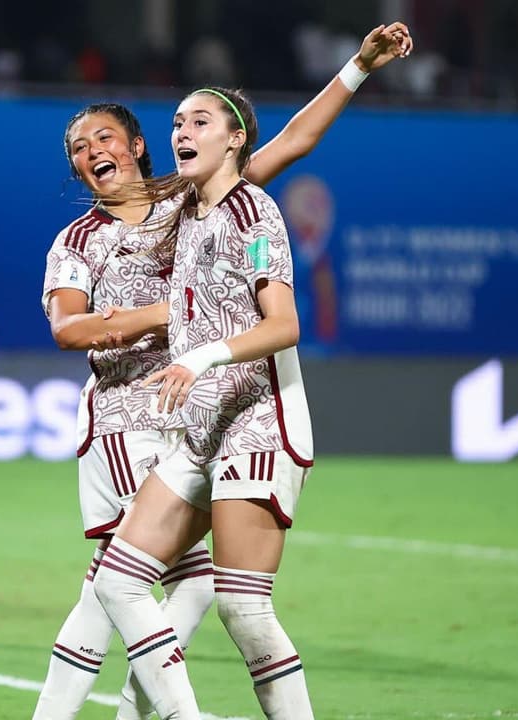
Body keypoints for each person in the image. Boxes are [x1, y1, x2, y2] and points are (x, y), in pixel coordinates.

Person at [35, 23, 414, 720]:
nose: (91, 153)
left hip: (222, 410)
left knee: (199, 591)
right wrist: (169, 319)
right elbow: (68, 326)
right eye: (78, 149)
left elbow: (292, 142)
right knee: (128, 582)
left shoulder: (196, 203)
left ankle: (133, 708)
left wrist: (359, 67)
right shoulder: (86, 238)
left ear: (137, 146)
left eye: (104, 138)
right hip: (142, 415)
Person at [88, 85, 324, 719]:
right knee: (118, 580)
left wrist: (200, 356)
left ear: (234, 138)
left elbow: (284, 325)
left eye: (199, 121)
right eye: (176, 122)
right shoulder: (186, 209)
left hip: (257, 424)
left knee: (243, 606)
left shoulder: (254, 213)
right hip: (199, 431)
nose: (181, 133)